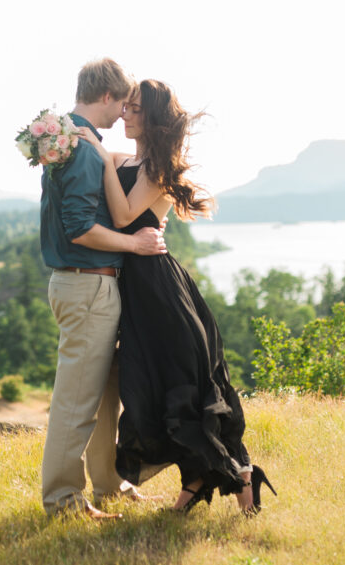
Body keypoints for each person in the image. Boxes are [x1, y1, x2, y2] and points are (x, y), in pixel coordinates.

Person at [78, 79, 275, 514]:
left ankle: (224, 475)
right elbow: (93, 155)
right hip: (137, 288)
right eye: (124, 107)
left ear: (153, 118)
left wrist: (101, 159)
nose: (125, 115)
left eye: (133, 109)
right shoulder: (129, 158)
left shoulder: (158, 169)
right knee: (159, 387)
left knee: (179, 386)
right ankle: (235, 477)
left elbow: (126, 213)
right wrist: (66, 136)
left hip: (156, 289)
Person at [39, 59, 168, 520]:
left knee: (106, 394)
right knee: (77, 403)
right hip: (88, 285)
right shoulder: (82, 148)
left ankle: (109, 481)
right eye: (123, 105)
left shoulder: (64, 138)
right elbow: (78, 228)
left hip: (92, 287)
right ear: (109, 97)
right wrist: (133, 243)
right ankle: (62, 501)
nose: (122, 117)